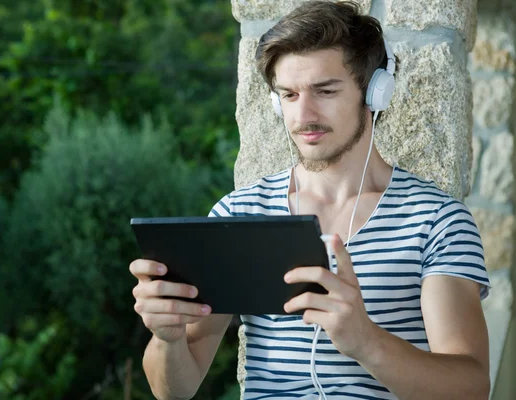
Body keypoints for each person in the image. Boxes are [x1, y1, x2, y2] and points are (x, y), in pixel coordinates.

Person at [129, 1, 491, 399]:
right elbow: (174, 391)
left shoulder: (438, 221)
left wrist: (365, 341)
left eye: (325, 90)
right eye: (288, 94)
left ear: (375, 93)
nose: (304, 115)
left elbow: (470, 388)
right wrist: (168, 339)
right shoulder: (239, 214)